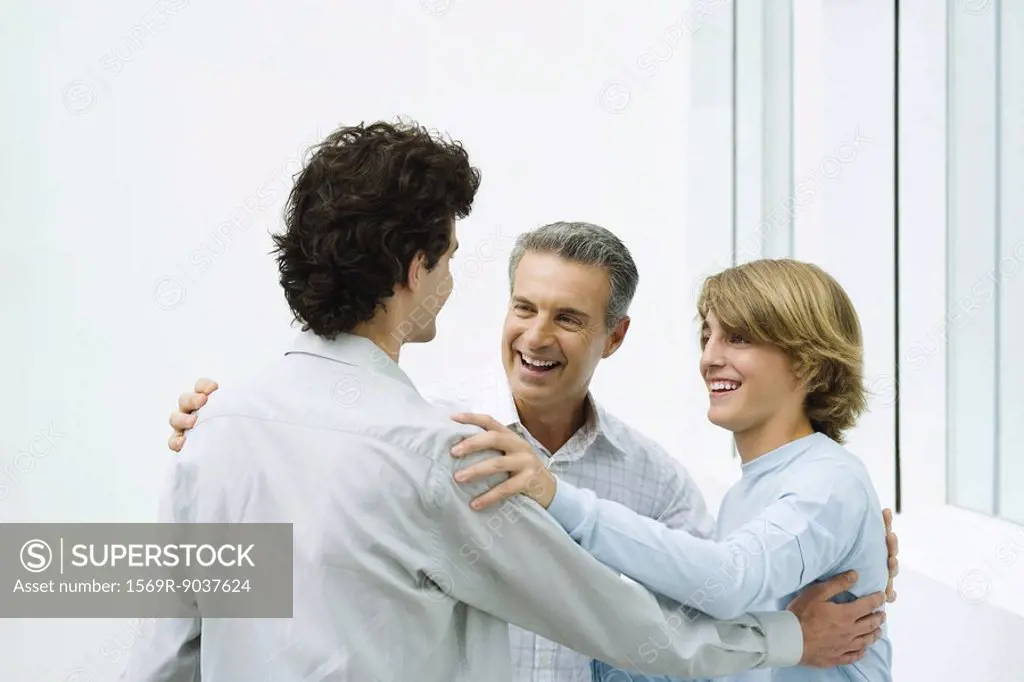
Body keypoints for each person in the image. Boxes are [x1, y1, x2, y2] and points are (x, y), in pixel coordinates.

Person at [164, 213, 900, 680]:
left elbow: (706, 607)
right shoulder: (435, 442)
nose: (537, 336)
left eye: (570, 319)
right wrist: (234, 424)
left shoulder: (660, 485)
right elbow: (295, 523)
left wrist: (838, 544)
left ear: (615, 337)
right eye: (524, 307)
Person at [446, 258, 895, 681]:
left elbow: (727, 581)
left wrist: (558, 497)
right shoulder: (749, 495)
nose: (710, 358)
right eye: (707, 337)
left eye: (737, 338)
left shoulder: (830, 482)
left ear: (807, 362)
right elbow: (703, 635)